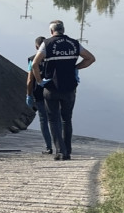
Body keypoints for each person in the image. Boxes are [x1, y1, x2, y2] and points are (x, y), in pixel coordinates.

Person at [30, 20, 95, 160]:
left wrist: (40, 81)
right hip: (70, 88)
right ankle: (68, 150)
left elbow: (35, 64)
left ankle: (60, 151)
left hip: (51, 87)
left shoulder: (47, 43)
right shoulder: (74, 43)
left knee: (53, 120)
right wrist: (76, 67)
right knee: (67, 120)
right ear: (63, 30)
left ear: (51, 31)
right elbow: (90, 59)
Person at [26, 36, 53, 154]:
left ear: (36, 47)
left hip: (39, 94)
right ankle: (60, 145)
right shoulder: (52, 58)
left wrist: (29, 95)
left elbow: (29, 80)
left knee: (43, 120)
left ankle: (48, 147)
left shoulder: (32, 60)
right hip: (53, 92)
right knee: (56, 119)